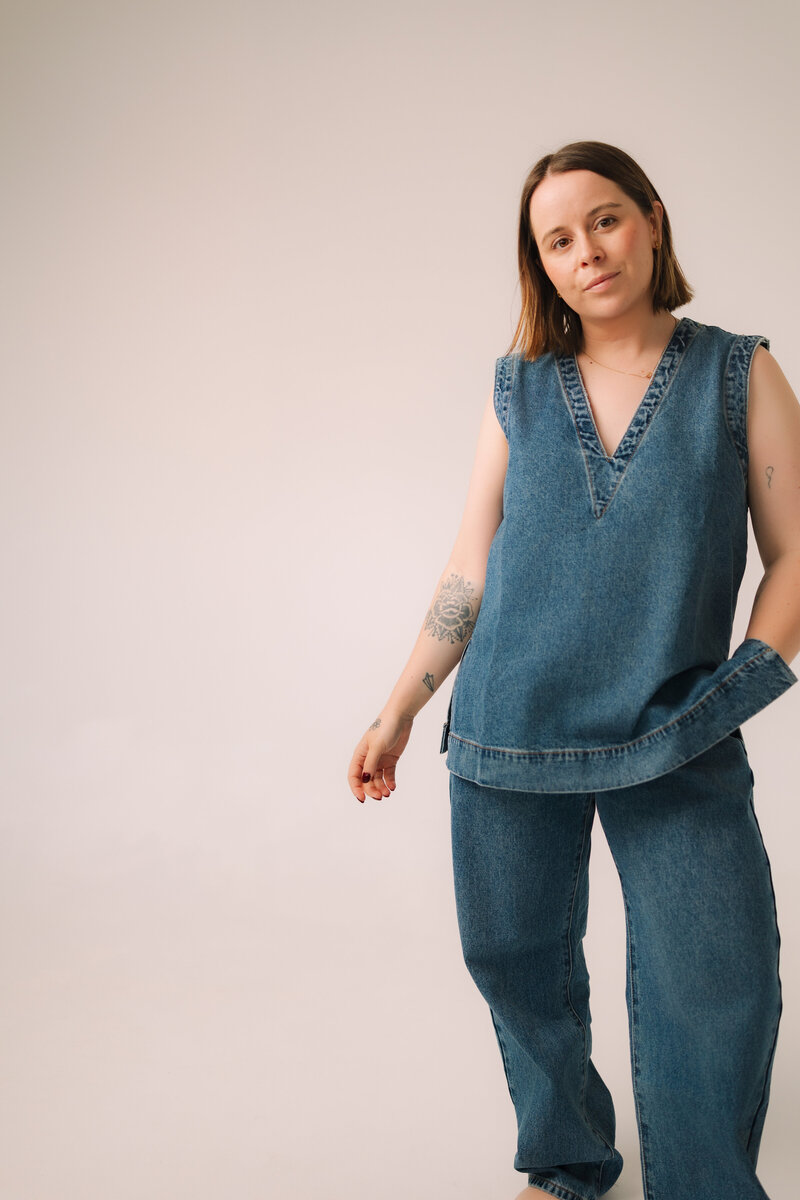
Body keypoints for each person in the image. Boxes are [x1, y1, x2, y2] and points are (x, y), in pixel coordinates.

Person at [346, 140, 800, 1200]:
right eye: (556, 239)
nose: (585, 252)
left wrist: (745, 679)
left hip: (676, 725)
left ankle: (700, 1183)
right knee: (515, 962)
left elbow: (793, 556)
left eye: (602, 220)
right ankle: (563, 1165)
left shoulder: (739, 371)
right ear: (538, 264)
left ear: (648, 218)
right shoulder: (516, 389)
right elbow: (468, 568)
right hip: (508, 723)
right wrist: (401, 709)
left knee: (716, 979)